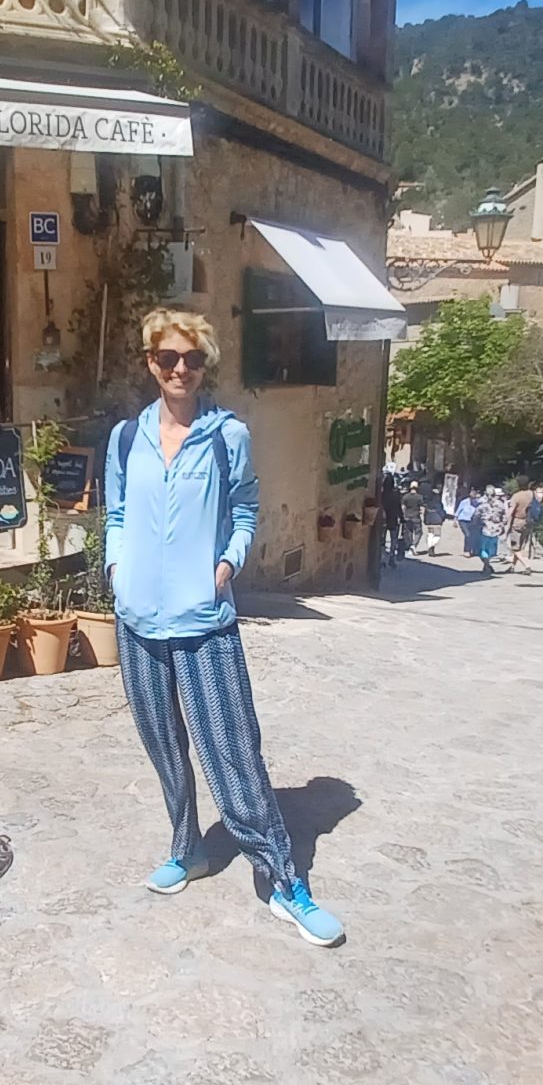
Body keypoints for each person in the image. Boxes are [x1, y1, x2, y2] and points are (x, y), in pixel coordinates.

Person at [103, 308, 344, 948]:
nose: (180, 369)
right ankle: (188, 849)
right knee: (163, 746)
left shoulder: (226, 435)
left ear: (206, 365)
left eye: (193, 359)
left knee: (232, 751)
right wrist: (115, 568)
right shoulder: (125, 439)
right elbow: (116, 513)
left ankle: (284, 880)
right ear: (150, 362)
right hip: (137, 621)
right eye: (168, 358)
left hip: (203, 619)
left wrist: (228, 564)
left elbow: (244, 507)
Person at [506, 481, 539, 571]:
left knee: (514, 547)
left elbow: (511, 510)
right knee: (520, 546)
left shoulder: (516, 496)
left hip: (517, 522)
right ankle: (512, 567)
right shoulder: (532, 494)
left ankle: (527, 566)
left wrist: (505, 520)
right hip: (528, 522)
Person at [454, 486, 485, 571]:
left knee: (473, 535)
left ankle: (474, 550)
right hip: (463, 520)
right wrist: (455, 520)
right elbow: (458, 511)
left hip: (472, 520)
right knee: (467, 535)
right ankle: (466, 551)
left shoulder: (478, 503)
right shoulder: (464, 502)